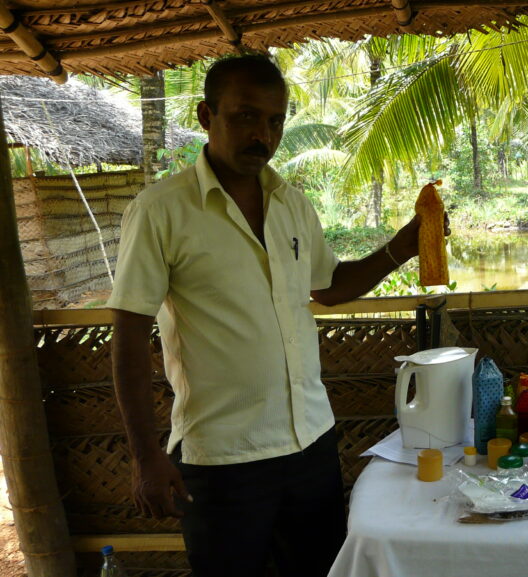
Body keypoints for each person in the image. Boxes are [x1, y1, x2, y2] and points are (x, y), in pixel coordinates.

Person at [108, 55, 444, 577]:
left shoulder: (291, 204)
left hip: (309, 444)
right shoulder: (161, 211)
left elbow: (330, 288)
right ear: (205, 115)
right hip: (221, 459)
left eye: (274, 120)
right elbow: (128, 333)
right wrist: (145, 455)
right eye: (244, 116)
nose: (261, 134)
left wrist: (405, 245)